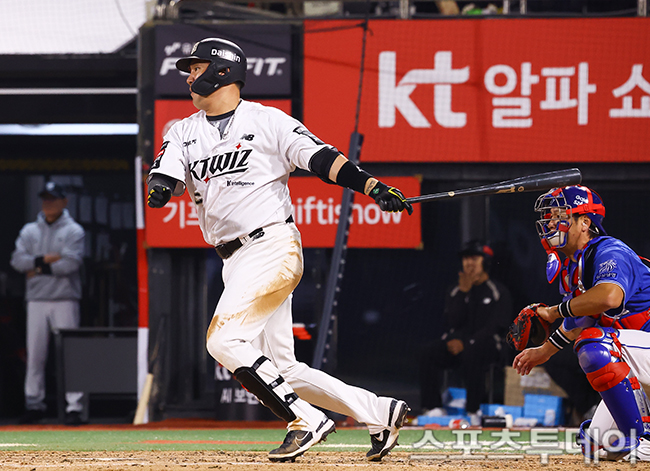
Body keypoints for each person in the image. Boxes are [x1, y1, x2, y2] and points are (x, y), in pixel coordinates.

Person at [146, 37, 413, 462]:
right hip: (233, 258)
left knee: (224, 340)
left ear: (223, 70)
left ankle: (304, 420)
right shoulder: (183, 130)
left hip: (271, 246)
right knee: (284, 369)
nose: (189, 76)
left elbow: (321, 158)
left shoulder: (268, 120)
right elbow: (166, 175)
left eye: (196, 67)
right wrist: (160, 187)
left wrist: (370, 185)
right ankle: (379, 411)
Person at [512, 185, 650, 461]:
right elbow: (580, 319)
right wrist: (543, 351)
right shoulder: (576, 267)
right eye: (550, 217)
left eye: (560, 216)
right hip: (642, 360)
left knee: (596, 344)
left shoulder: (610, 251)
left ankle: (643, 440)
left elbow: (609, 297)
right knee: (595, 443)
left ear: (585, 222)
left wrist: (553, 312)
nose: (551, 223)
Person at [10, 181, 86, 425]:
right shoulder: (29, 230)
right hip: (36, 299)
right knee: (35, 356)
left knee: (70, 355)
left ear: (64, 202)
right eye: (45, 199)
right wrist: (47, 260)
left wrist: (36, 267)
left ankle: (74, 407)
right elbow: (17, 261)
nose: (49, 203)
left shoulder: (74, 230)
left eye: (53, 199)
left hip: (65, 298)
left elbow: (71, 263)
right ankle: (34, 404)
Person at [419, 240, 513, 422]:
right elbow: (452, 323)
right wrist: (464, 293)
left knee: (473, 351)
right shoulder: (456, 291)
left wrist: (467, 343)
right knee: (428, 352)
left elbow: (496, 326)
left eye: (474, 258)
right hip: (457, 344)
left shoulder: (497, 291)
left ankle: (473, 410)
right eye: (465, 259)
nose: (469, 263)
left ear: (486, 261)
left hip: (486, 345)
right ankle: (433, 408)